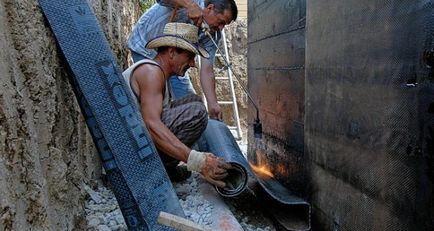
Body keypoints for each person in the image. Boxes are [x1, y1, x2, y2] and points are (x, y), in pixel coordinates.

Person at [122, 22, 231, 187]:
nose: (193, 63)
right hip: (129, 154)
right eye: (189, 56)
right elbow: (151, 125)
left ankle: (165, 169)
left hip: (134, 145)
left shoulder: (159, 76)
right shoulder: (151, 73)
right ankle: (154, 172)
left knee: (194, 101)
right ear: (172, 52)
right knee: (196, 111)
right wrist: (199, 162)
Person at [128, 0, 238, 120]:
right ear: (210, 8)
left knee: (190, 105)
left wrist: (213, 103)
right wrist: (189, 5)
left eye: (225, 25)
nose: (221, 28)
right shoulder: (192, 1)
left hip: (176, 62)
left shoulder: (213, 35)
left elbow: (207, 70)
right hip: (145, 47)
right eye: (221, 22)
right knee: (156, 102)